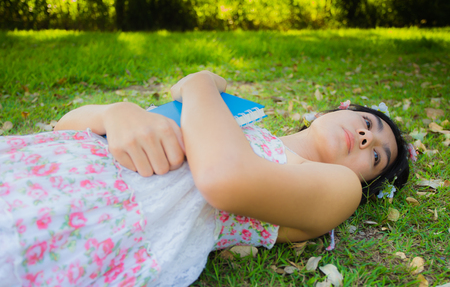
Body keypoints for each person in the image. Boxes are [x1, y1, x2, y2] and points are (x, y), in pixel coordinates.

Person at [0, 71, 409, 287]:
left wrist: (198, 84)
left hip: (93, 217)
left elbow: (223, 179)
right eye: (367, 122)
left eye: (376, 154)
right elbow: (62, 129)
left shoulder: (338, 188)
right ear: (338, 109)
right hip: (53, 163)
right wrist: (114, 113)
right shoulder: (240, 118)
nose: (364, 136)